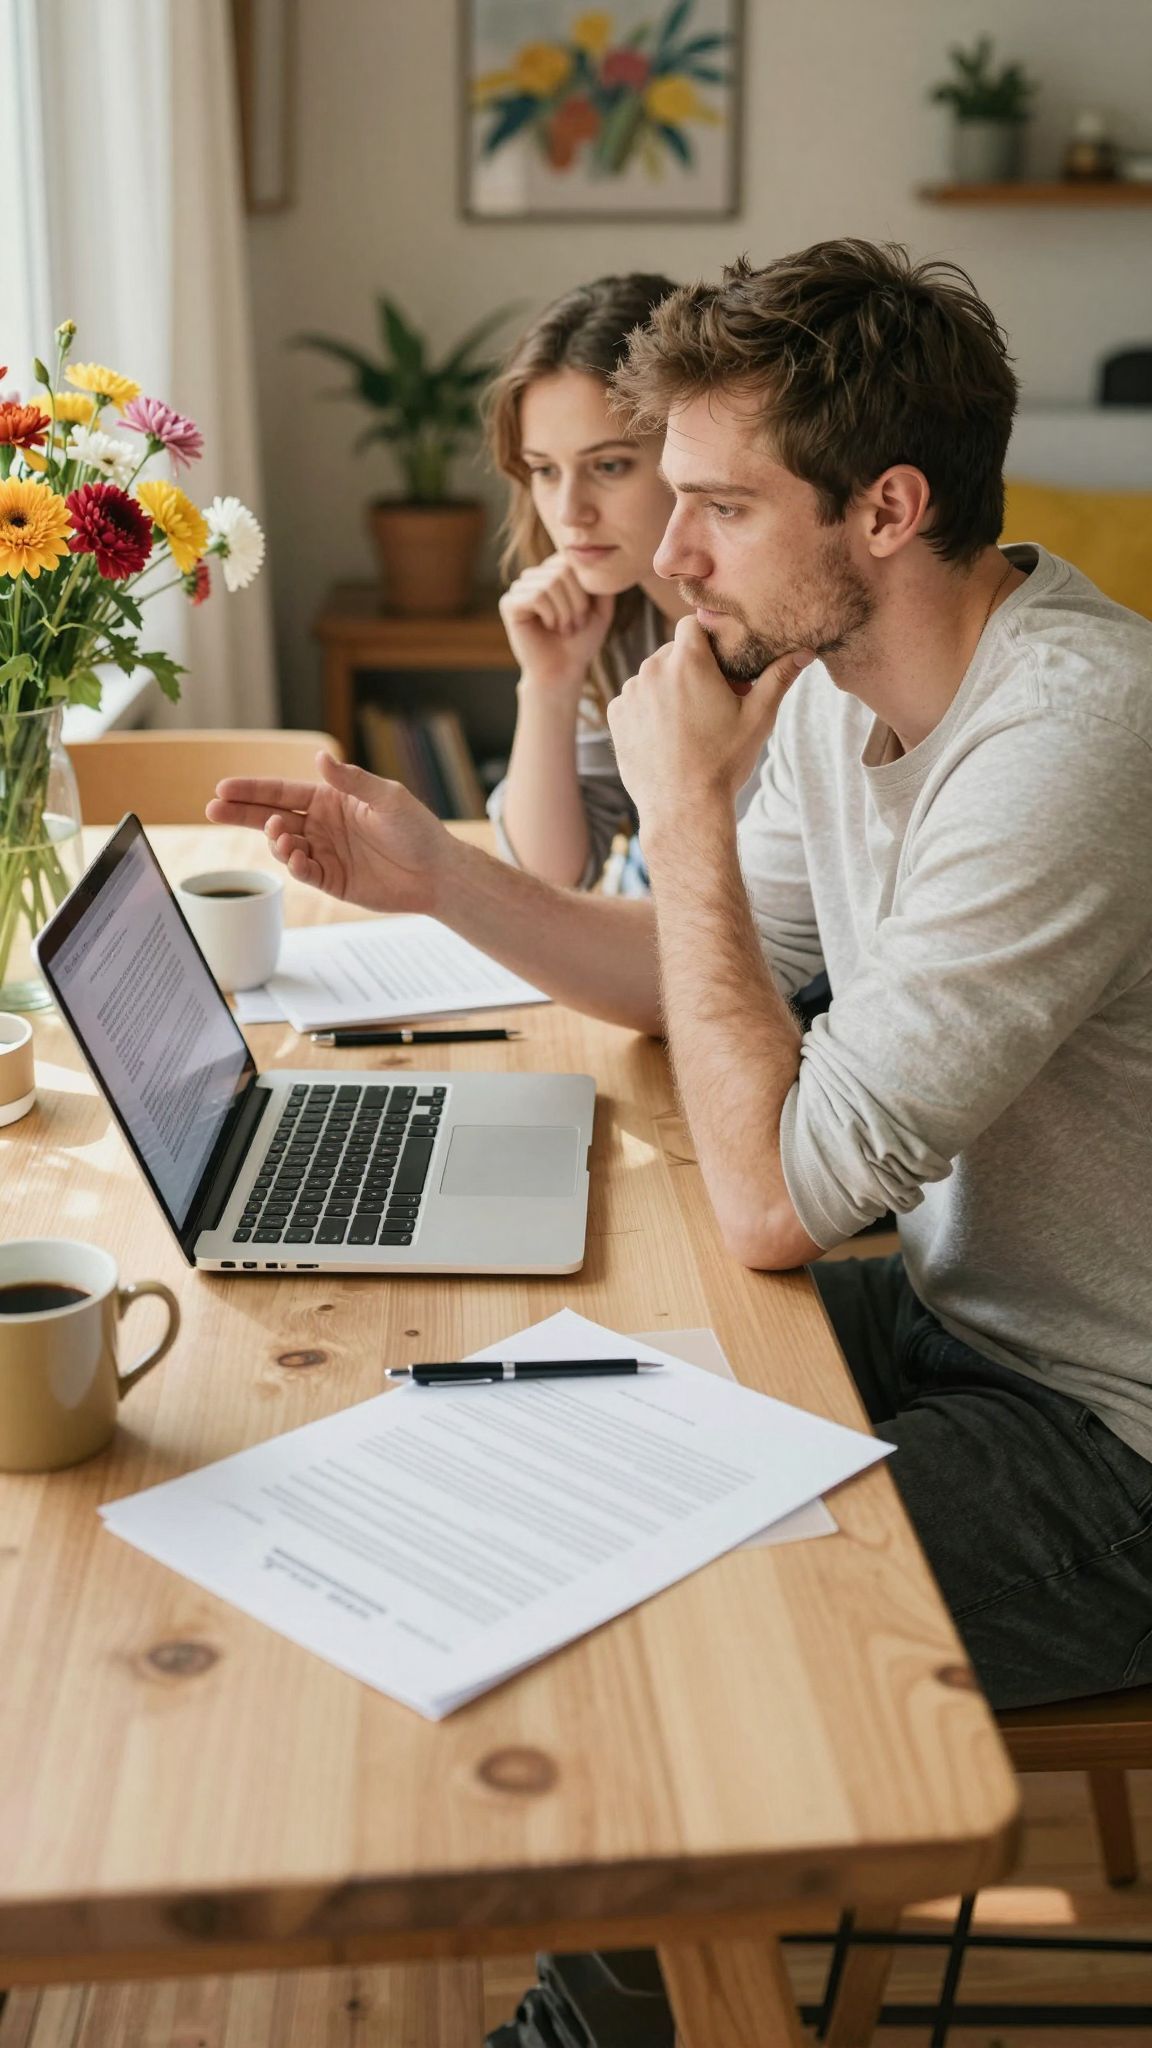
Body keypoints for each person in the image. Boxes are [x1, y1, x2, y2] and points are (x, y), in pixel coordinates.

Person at [210, 237, 1152, 1715]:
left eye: (723, 507)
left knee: (631, 1617)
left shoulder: (1074, 737)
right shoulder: (838, 687)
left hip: (1113, 1437)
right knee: (503, 1423)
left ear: (891, 508)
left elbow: (778, 1206)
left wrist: (690, 813)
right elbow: (686, 980)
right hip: (954, 1318)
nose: (669, 556)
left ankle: (610, 1948)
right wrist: (440, 877)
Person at [485, 273, 691, 893]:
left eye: (608, 466)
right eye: (545, 471)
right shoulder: (619, 627)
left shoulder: (791, 636)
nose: (570, 511)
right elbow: (549, 882)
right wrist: (549, 684)